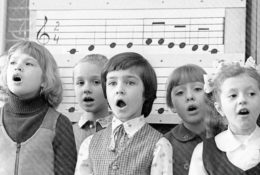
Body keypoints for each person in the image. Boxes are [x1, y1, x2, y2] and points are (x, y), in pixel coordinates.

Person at [75, 52, 173, 175]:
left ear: (146, 92)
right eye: (112, 83)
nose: (119, 90)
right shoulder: (89, 143)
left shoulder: (159, 145)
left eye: (130, 82)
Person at [0, 40, 77, 175]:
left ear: (44, 80)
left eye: (28, 63)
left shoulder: (59, 123)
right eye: (13, 62)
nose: (18, 67)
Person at [189, 63, 260, 174]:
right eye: (233, 95)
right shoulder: (203, 152)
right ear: (220, 108)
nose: (242, 100)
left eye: (251, 93)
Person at [164, 64, 223, 175]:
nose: (189, 96)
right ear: (171, 105)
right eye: (180, 92)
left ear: (211, 96)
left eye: (197, 89)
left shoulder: (228, 134)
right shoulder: (165, 144)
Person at [72, 54, 112, 151]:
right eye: (80, 83)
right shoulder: (66, 133)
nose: (86, 89)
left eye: (96, 82)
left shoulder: (122, 131)